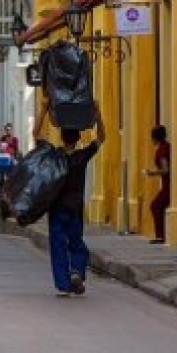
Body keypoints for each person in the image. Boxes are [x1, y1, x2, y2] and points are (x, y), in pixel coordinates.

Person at [34, 101, 106, 297]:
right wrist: (97, 113)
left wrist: (44, 110)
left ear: (62, 138)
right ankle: (77, 270)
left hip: (56, 207)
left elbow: (36, 135)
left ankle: (64, 286)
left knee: (58, 246)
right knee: (76, 242)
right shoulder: (82, 156)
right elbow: (101, 138)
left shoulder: (54, 155)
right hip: (75, 207)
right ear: (78, 138)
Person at [144, 126, 171, 244]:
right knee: (159, 206)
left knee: (155, 206)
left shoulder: (161, 151)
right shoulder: (167, 146)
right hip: (168, 184)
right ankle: (163, 235)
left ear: (155, 138)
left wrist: (152, 173)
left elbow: (165, 170)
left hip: (168, 185)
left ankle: (161, 236)